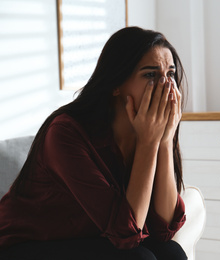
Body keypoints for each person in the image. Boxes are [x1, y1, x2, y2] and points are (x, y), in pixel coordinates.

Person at [0, 27, 188, 260]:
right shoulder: (65, 132)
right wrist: (149, 143)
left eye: (170, 74)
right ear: (116, 84)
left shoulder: (152, 131)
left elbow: (164, 229)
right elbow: (126, 234)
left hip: (90, 237)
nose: (165, 85)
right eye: (150, 75)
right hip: (24, 246)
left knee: (173, 254)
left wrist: (165, 140)